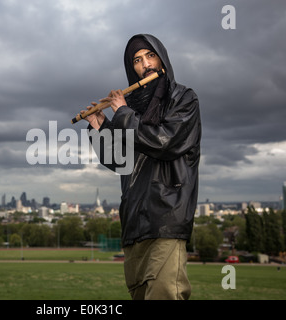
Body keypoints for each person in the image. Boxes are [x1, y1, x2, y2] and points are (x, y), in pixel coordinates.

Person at [80, 34, 201, 300]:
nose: (145, 64)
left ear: (162, 60)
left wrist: (122, 114)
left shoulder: (183, 98)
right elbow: (119, 161)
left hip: (167, 216)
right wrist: (101, 127)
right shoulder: (133, 107)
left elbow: (164, 141)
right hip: (134, 221)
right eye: (137, 60)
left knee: (164, 294)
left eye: (150, 56)